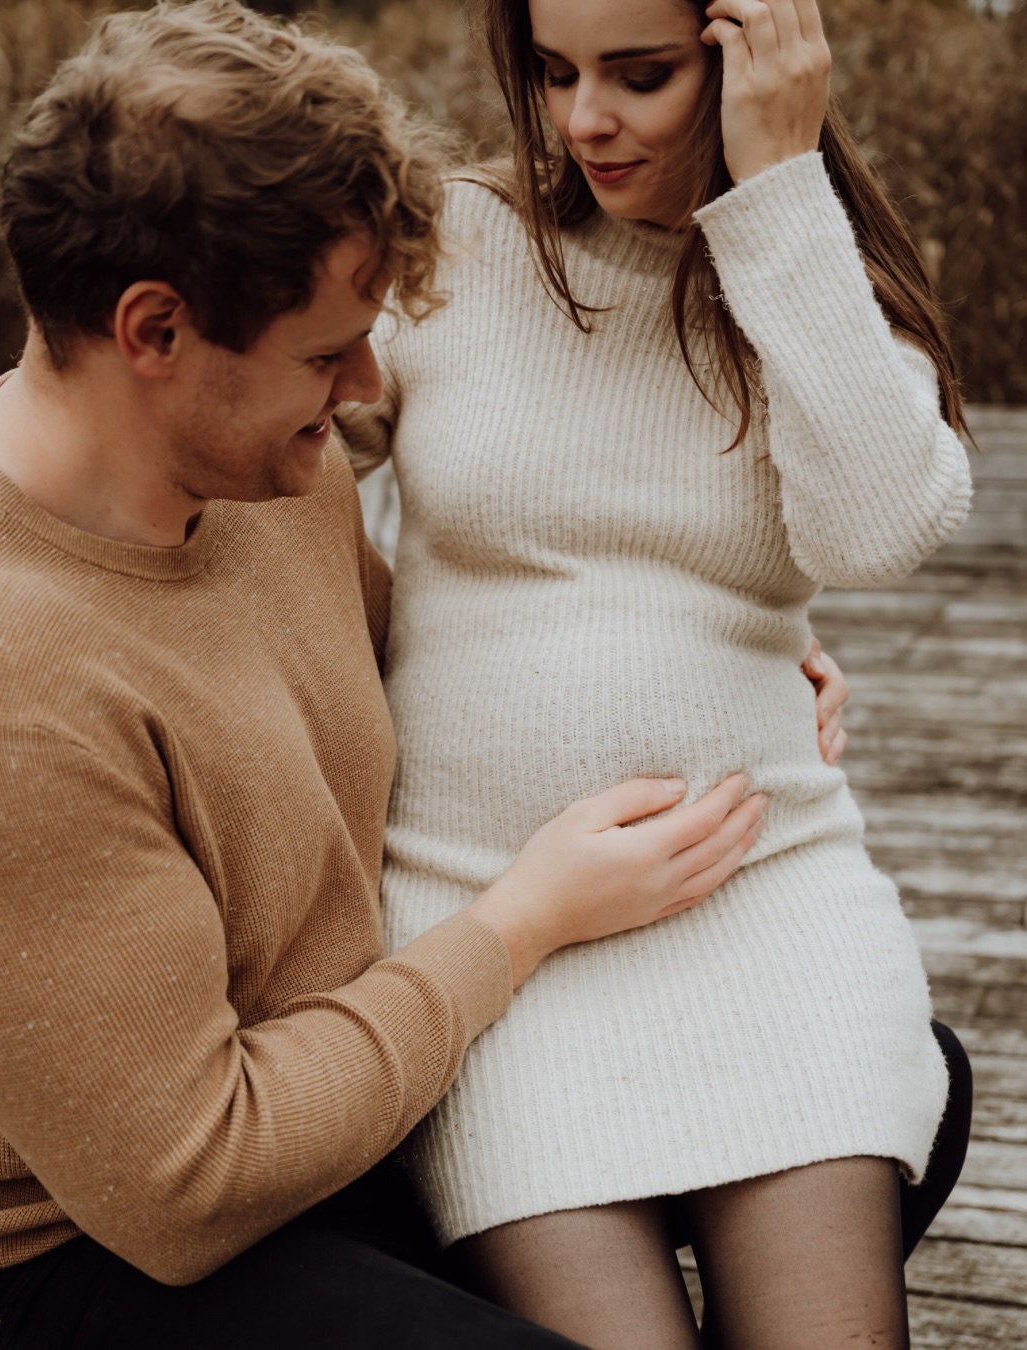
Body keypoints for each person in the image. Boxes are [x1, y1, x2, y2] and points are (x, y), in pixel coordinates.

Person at [0, 3, 793, 1346]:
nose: (362, 385)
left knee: (870, 1091)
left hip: (347, 1104)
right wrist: (521, 925)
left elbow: (422, 665)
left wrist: (702, 656)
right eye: (325, 349)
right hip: (78, 1254)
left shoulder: (262, 461)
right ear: (153, 329)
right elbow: (189, 1181)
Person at [334, 0, 975, 1346]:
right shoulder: (457, 244)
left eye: (641, 76)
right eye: (556, 73)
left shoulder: (807, 279)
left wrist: (780, 189)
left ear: (752, 55)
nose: (583, 121)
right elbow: (261, 439)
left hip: (768, 905)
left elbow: (876, 532)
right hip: (498, 931)